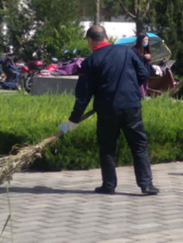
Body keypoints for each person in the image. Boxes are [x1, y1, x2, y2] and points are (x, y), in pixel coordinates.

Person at [59, 25, 159, 195]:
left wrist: (73, 120)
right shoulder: (126, 52)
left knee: (107, 148)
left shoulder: (90, 61)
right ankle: (146, 185)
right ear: (106, 37)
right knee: (139, 146)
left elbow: (83, 95)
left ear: (90, 40)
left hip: (107, 110)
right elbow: (143, 74)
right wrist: (131, 88)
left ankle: (109, 185)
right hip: (131, 106)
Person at [133, 33, 151, 97]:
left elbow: (148, 63)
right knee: (141, 91)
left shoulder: (146, 50)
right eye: (145, 40)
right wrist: (144, 57)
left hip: (145, 73)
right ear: (140, 40)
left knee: (145, 89)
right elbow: (134, 60)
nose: (146, 41)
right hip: (138, 74)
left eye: (147, 40)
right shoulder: (134, 50)